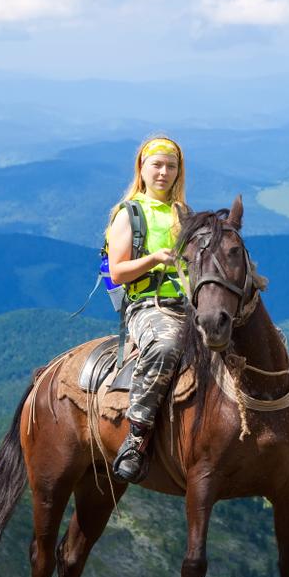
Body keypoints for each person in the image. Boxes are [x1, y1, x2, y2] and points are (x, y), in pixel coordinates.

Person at [104, 136, 189, 484]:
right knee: (166, 345)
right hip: (147, 305)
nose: (164, 172)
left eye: (171, 166)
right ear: (142, 167)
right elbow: (116, 271)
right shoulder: (130, 213)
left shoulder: (183, 213)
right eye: (157, 164)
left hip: (188, 302)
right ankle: (136, 437)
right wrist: (154, 259)